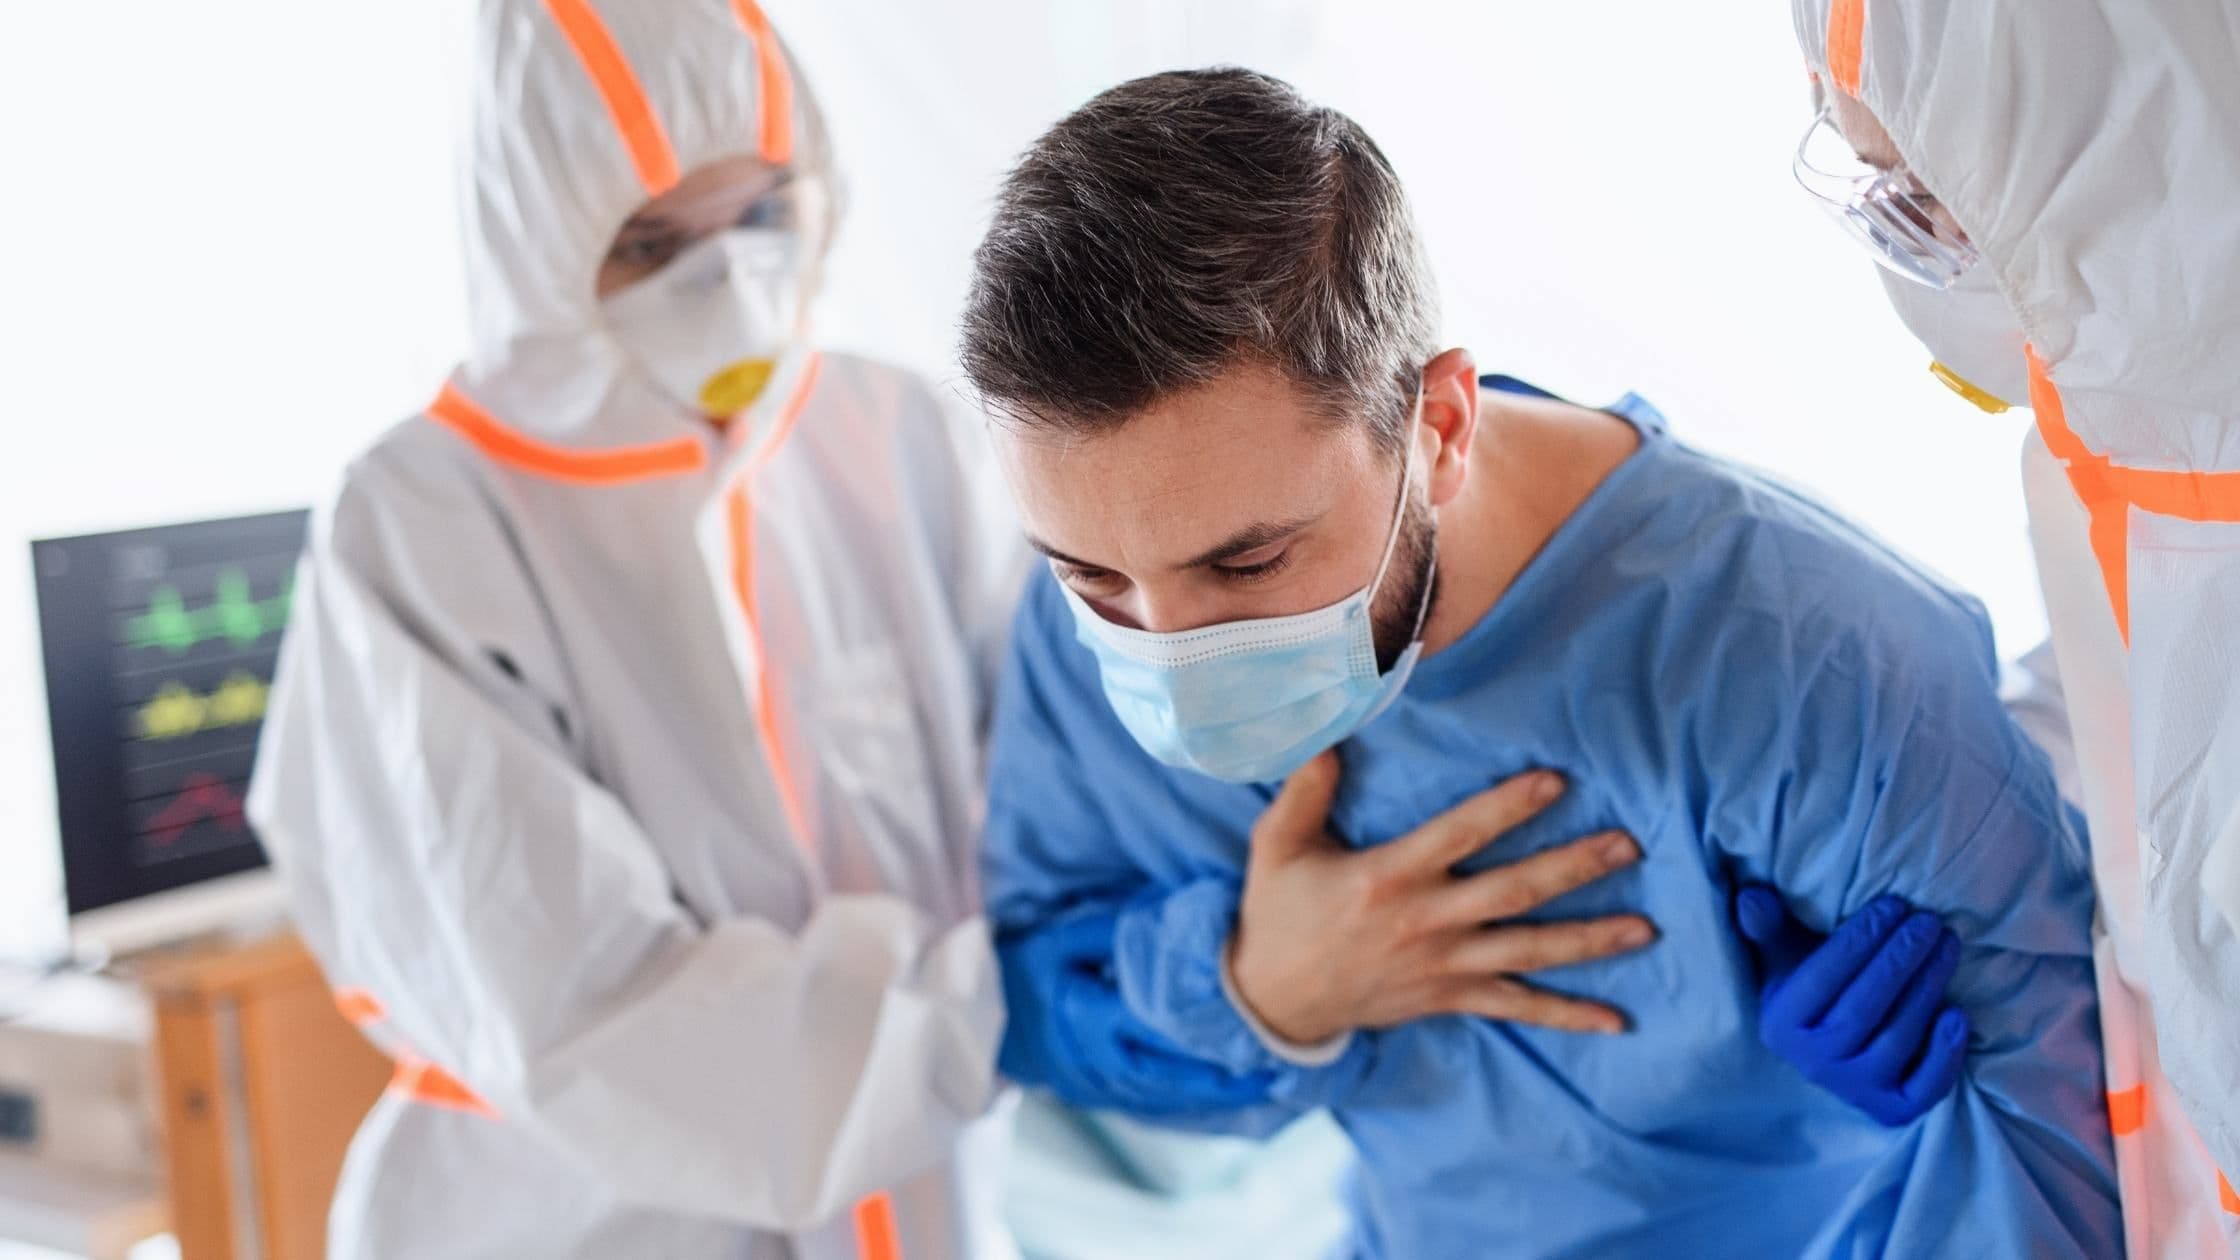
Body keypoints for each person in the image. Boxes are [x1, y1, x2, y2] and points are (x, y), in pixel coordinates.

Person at [248, 2, 1687, 1256]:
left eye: (764, 212)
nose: (734, 275)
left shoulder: (883, 436)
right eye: (653, 240)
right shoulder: (424, 529)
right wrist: (1040, 1005)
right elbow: (593, 1020)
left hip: (927, 1205)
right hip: (576, 1225)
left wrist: (1659, 864)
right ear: (534, 243)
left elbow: (1116, 750)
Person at [966, 69, 2120, 1259]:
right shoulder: (1099, 615)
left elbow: (2053, 1138)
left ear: (1440, 427)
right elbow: (1022, 1001)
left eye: (1248, 565)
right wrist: (1260, 994)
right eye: (1087, 573)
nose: (1169, 652)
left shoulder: (1806, 655)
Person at [1786, 2, 2240, 1251]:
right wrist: (1965, 855)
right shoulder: (2136, 470)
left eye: (1916, 192)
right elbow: (2137, 721)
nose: (1908, 244)